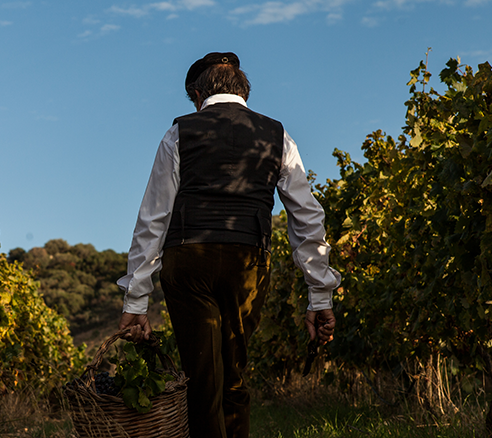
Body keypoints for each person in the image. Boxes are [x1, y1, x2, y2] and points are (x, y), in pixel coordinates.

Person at [116, 52, 341, 438]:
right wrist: (319, 295)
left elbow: (153, 218)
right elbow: (306, 215)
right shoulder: (277, 135)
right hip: (248, 262)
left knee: (203, 380)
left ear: (199, 95)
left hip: (189, 260)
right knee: (234, 373)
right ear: (244, 93)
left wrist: (137, 300)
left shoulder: (179, 133)